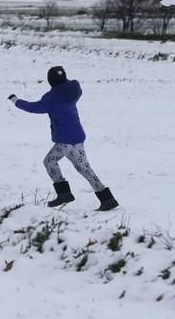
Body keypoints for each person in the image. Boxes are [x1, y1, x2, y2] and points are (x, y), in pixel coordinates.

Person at [8, 66, 119, 211]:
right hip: (77, 137)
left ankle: (64, 193)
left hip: (65, 141)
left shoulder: (52, 98)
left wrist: (16, 101)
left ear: (50, 81)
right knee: (84, 168)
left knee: (49, 162)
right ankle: (107, 198)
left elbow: (34, 107)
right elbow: (71, 83)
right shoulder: (73, 90)